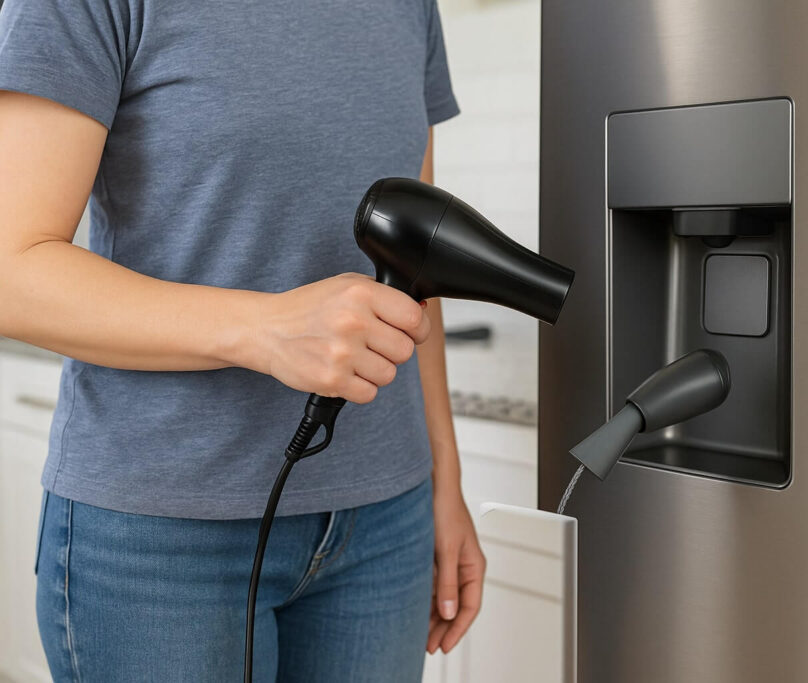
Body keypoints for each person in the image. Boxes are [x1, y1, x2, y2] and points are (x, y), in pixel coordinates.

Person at [0, 0, 485, 680]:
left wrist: (444, 477)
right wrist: (265, 328)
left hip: (383, 529)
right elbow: (11, 271)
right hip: (161, 541)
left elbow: (413, 261)